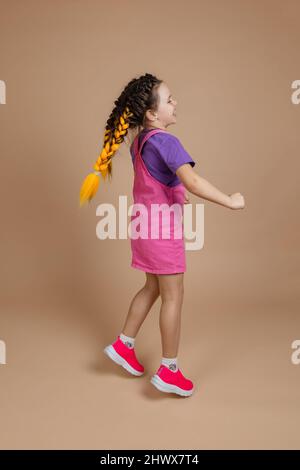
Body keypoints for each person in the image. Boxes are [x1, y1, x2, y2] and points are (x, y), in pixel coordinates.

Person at [79, 73, 245, 397]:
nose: (175, 103)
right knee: (174, 296)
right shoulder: (167, 142)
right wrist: (230, 201)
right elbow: (193, 182)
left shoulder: (140, 142)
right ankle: (170, 370)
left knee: (152, 287)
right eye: (169, 100)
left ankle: (124, 344)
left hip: (142, 227)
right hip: (162, 230)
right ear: (152, 114)